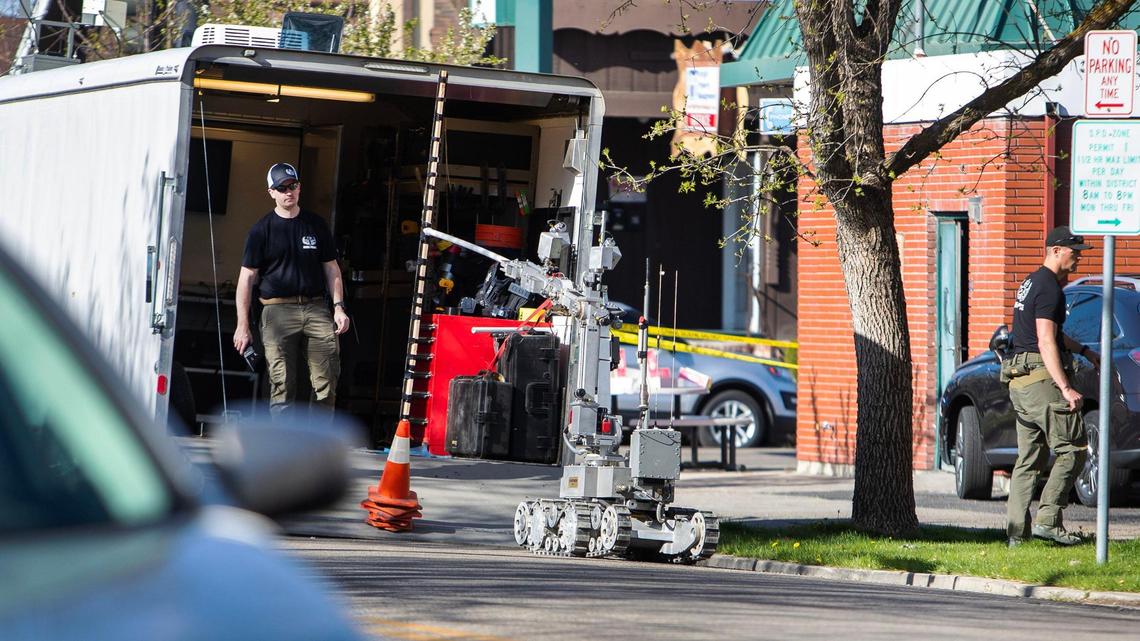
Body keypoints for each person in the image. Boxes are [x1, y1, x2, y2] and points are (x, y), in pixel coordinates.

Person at [1004, 226, 1100, 547]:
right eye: (1075, 251)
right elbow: (1045, 341)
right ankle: (1047, 521)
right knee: (1072, 448)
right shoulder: (1049, 288)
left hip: (1020, 381)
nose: (1079, 257)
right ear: (1056, 250)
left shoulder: (1032, 282)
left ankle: (1017, 536)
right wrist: (1065, 387)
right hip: (1039, 378)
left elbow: (1052, 334)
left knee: (1028, 459)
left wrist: (1085, 351)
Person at [233, 162, 350, 417]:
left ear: (299, 187)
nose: (289, 192)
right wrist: (243, 325)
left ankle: (318, 444)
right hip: (276, 310)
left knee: (326, 380)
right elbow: (246, 278)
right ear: (271, 192)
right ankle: (281, 446)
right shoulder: (261, 230)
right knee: (282, 381)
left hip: (316, 307)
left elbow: (332, 269)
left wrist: (339, 308)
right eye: (282, 187)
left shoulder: (315, 225)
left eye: (293, 185)